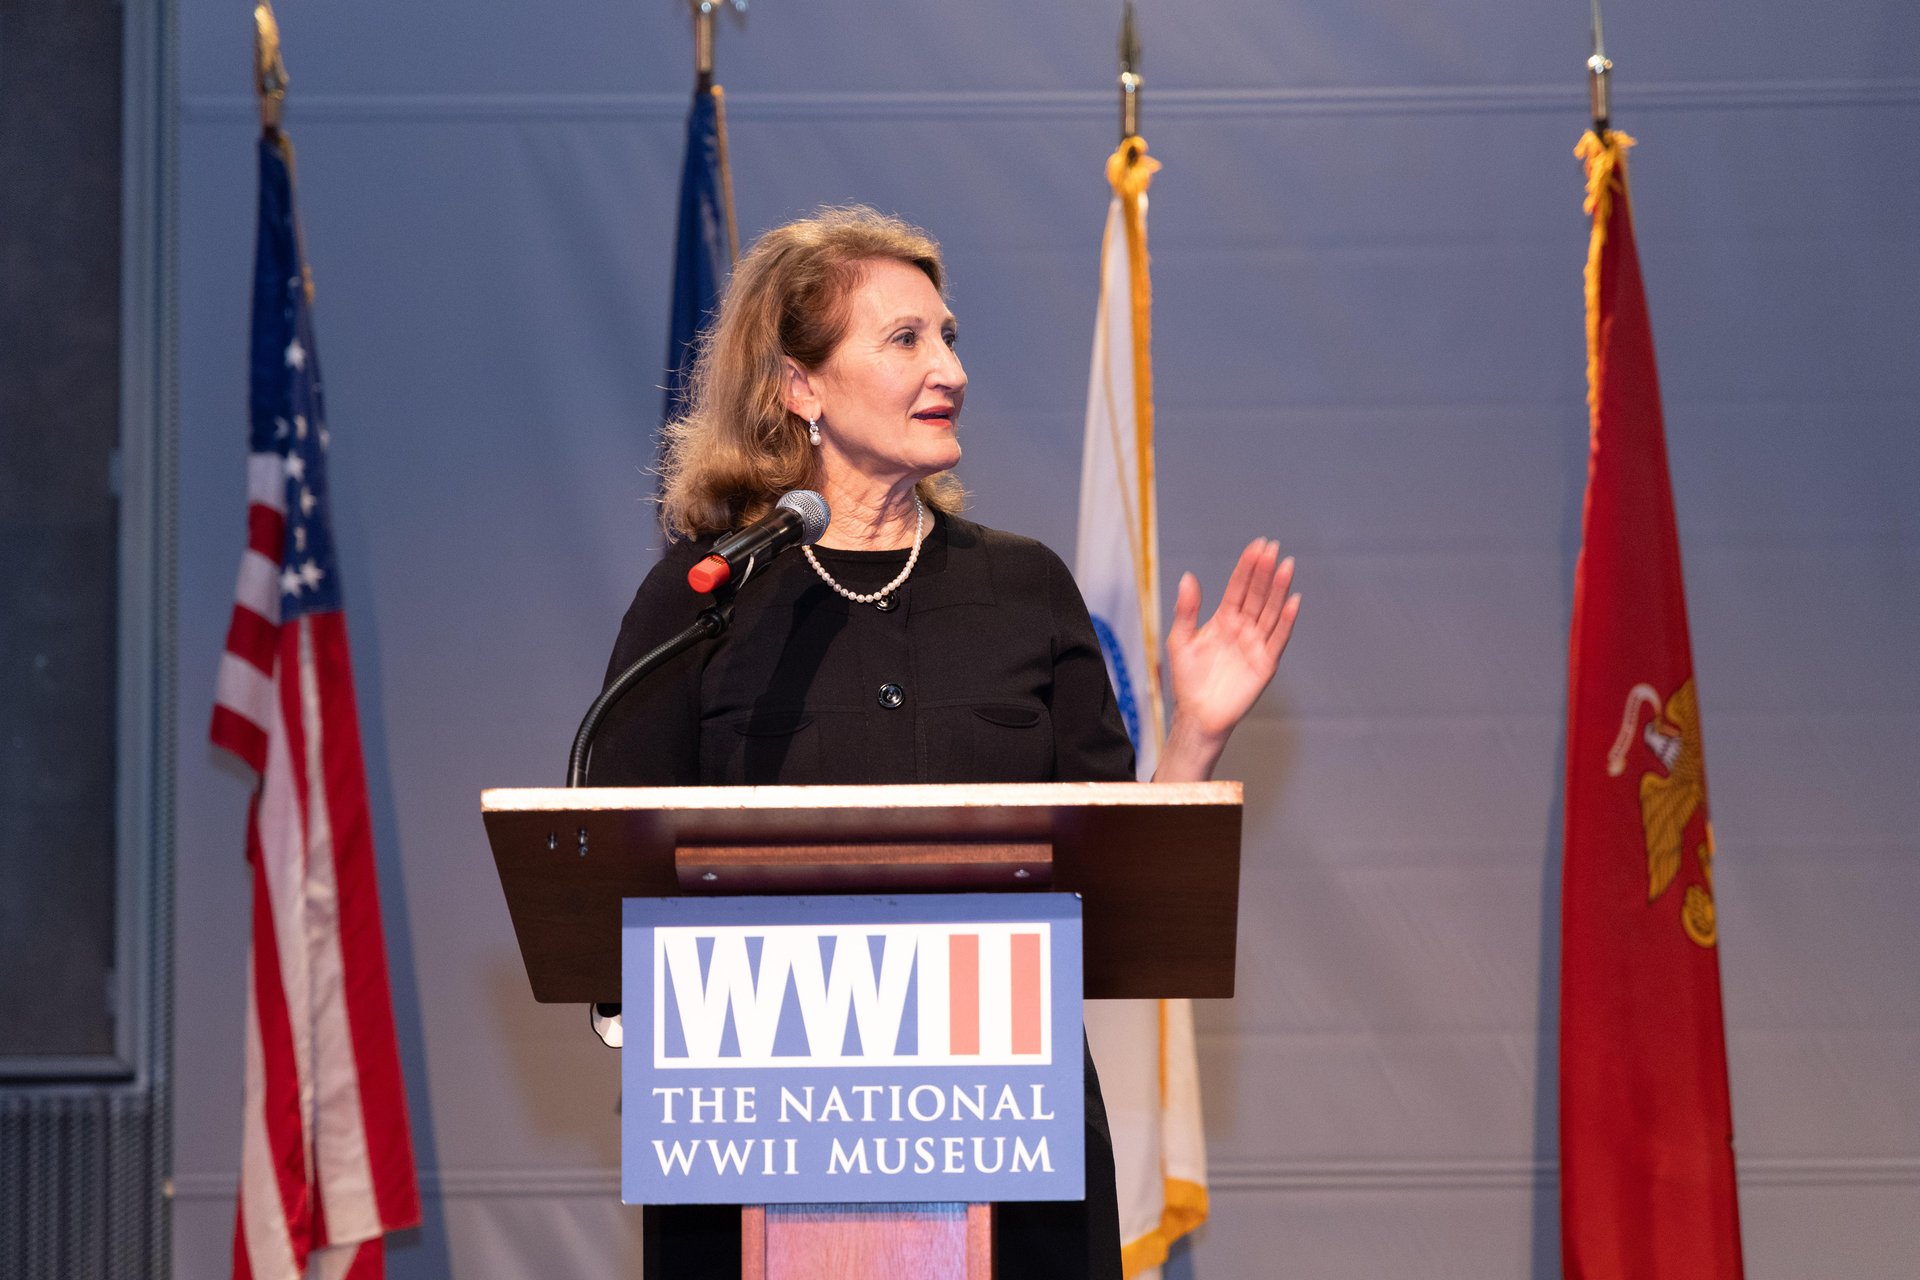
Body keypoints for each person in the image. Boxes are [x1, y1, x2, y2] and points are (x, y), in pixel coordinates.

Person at [593, 206, 1299, 1279]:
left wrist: (1195, 741)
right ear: (801, 387)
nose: (950, 368)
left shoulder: (1025, 590)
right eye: (906, 338)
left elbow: (1116, 883)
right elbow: (614, 873)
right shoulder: (704, 596)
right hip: (755, 1148)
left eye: (950, 335)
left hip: (1018, 1160)